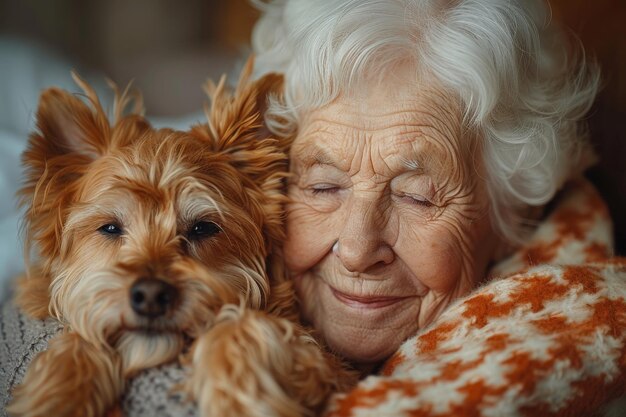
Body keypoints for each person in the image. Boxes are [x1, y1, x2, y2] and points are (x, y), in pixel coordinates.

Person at [1, 1, 625, 416]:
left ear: (510, 209)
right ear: (279, 170)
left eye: (416, 194)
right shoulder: (214, 169)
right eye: (323, 186)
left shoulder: (571, 325)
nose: (356, 247)